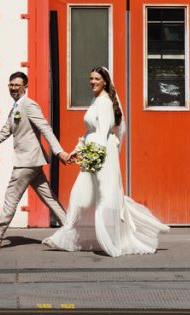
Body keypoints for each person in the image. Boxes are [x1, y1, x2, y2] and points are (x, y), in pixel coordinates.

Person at [42, 66, 169, 257]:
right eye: (91, 78)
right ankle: (70, 235)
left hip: (100, 155)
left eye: (97, 79)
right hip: (93, 152)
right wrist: (77, 151)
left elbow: (102, 133)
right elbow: (90, 132)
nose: (92, 82)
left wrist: (95, 156)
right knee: (83, 194)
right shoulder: (96, 100)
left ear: (105, 82)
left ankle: (109, 239)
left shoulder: (105, 103)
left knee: (104, 196)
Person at [0, 71, 72, 249]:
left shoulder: (29, 105)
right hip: (32, 162)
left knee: (11, 197)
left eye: (17, 85)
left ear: (26, 86)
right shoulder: (16, 107)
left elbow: (45, 129)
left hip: (26, 162)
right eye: (11, 85)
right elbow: (3, 133)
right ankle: (72, 230)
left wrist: (59, 152)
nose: (14, 88)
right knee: (49, 198)